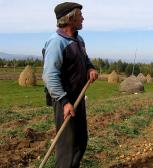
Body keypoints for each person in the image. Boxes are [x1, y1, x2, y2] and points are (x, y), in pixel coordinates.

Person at [42, 2, 98, 167]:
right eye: (80, 15)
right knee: (68, 146)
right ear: (71, 18)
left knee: (80, 141)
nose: (83, 18)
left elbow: (85, 60)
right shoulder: (56, 42)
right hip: (64, 101)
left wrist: (90, 68)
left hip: (78, 97)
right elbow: (50, 75)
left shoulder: (78, 40)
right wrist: (65, 102)